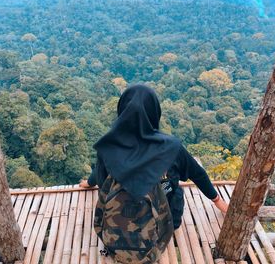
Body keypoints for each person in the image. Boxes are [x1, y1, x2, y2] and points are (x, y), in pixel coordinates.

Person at [79, 84, 228, 215]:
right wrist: (216, 199)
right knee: (176, 191)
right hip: (162, 225)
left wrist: (90, 183)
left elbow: (101, 171)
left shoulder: (108, 148)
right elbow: (198, 174)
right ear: (154, 112)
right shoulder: (172, 148)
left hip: (118, 225)